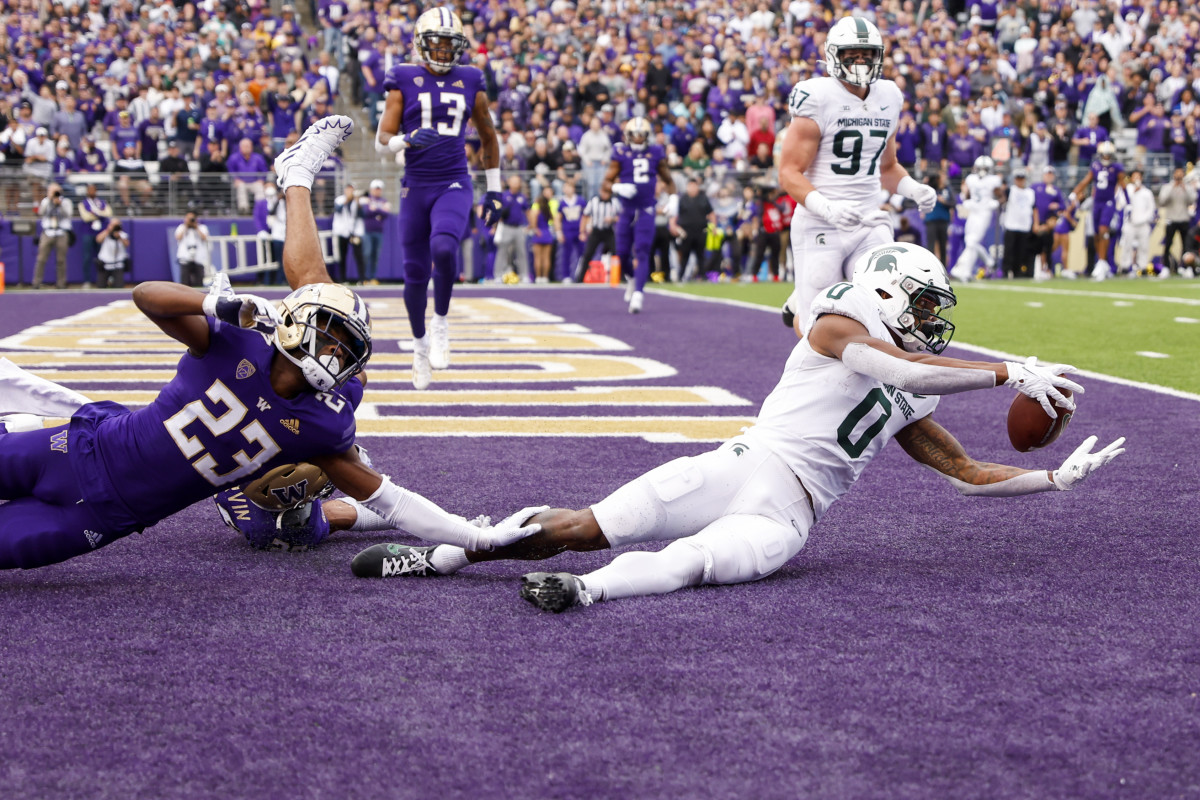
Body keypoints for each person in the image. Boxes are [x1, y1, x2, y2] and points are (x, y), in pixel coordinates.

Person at [348, 243, 1125, 611]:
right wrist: (1006, 373)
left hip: (791, 513)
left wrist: (1052, 479)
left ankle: (582, 594)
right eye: (922, 307)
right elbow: (905, 371)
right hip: (744, 461)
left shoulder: (915, 395)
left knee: (688, 564)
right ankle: (450, 555)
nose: (932, 322)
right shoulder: (834, 326)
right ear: (886, 295)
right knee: (588, 523)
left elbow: (968, 475)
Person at [0, 116, 541, 570]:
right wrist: (215, 305)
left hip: (105, 516)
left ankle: (297, 175)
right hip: (76, 450)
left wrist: (474, 539)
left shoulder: (326, 422)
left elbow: (391, 500)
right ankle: (297, 176)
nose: (337, 359)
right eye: (330, 341)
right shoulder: (233, 342)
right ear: (292, 325)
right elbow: (147, 297)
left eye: (345, 351)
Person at [778, 16, 937, 331]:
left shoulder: (889, 95)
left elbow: (887, 167)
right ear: (834, 54)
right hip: (820, 222)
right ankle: (802, 303)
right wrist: (828, 208)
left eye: (868, 54)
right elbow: (788, 172)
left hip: (869, 219)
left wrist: (912, 188)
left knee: (891, 306)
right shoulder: (817, 96)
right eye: (852, 53)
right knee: (819, 326)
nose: (861, 60)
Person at [375, 6, 503, 390]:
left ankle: (442, 321)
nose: (445, 52)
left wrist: (494, 189)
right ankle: (419, 347)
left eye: (451, 46)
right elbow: (382, 143)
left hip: (454, 182)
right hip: (415, 186)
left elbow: (488, 136)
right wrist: (407, 140)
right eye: (438, 44)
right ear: (421, 43)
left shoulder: (470, 79)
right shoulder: (403, 77)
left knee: (445, 249)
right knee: (414, 273)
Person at [606, 117, 675, 313]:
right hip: (626, 210)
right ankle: (633, 279)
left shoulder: (655, 152)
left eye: (641, 135)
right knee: (621, 252)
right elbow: (605, 183)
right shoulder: (620, 152)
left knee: (643, 250)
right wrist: (618, 187)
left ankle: (638, 294)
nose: (637, 138)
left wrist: (673, 199)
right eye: (634, 135)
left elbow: (667, 178)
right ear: (627, 136)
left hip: (646, 209)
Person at [1068, 140, 1125, 280]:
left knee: (1103, 229)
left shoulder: (1117, 168)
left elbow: (1123, 186)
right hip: (1096, 202)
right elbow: (1085, 182)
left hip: (1109, 201)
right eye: (1104, 154)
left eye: (1108, 155)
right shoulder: (1095, 166)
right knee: (1096, 234)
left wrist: (1128, 203)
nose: (1106, 157)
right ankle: (1101, 261)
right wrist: (1075, 193)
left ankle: (1102, 262)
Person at [950, 156, 1003, 281]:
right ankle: (973, 269)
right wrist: (968, 202)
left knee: (972, 241)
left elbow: (1001, 197)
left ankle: (959, 269)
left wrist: (994, 203)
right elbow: (967, 196)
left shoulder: (993, 180)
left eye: (985, 168)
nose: (982, 171)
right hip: (973, 211)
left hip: (984, 212)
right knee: (970, 241)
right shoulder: (971, 179)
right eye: (980, 168)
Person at [574, 183, 621, 283]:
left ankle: (620, 277)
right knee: (587, 254)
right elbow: (585, 215)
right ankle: (580, 279)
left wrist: (612, 219)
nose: (605, 194)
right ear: (600, 191)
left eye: (607, 192)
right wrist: (582, 231)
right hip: (596, 232)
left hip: (609, 232)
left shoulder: (615, 202)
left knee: (616, 254)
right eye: (604, 192)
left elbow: (621, 217)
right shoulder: (593, 201)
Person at [670, 178, 714, 282]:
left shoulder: (703, 198)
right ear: (687, 187)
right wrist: (673, 225)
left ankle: (703, 276)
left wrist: (714, 227)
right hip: (686, 232)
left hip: (701, 230)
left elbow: (711, 213)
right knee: (685, 255)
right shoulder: (682, 199)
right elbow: (674, 214)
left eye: (695, 186)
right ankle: (681, 277)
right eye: (691, 186)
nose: (693, 188)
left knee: (701, 255)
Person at [1114, 169, 1156, 276]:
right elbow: (1121, 204)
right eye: (1135, 176)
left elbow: (1151, 208)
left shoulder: (1147, 192)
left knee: (1144, 246)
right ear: (1131, 178)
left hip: (1143, 224)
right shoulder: (1126, 190)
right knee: (1127, 246)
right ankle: (1125, 266)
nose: (1137, 178)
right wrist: (1133, 192)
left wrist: (1145, 218)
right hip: (1130, 223)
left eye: (1139, 176)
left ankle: (1143, 266)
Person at [33, 183, 74, 290]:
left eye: (56, 191)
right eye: (52, 191)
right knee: (41, 259)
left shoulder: (66, 202)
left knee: (61, 260)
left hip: (61, 232)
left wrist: (59, 204)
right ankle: (36, 283)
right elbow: (41, 212)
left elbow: (68, 215)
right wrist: (50, 200)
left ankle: (61, 283)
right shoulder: (45, 201)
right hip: (47, 232)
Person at [1001, 168, 1036, 278]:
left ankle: (1018, 273)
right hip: (1011, 225)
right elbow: (1002, 198)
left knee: (1021, 252)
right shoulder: (1010, 190)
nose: (1020, 181)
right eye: (1018, 178)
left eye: (1022, 178)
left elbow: (1034, 208)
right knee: (1009, 251)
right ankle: (1006, 272)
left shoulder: (1030, 192)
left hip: (1024, 226)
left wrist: (1035, 223)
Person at [78, 184, 114, 289]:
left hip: (101, 233)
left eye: (93, 190)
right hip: (88, 232)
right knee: (87, 257)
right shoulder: (83, 203)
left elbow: (108, 213)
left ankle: (104, 280)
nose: (92, 192)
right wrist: (100, 214)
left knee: (103, 256)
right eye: (90, 190)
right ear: (87, 191)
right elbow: (85, 217)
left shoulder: (102, 202)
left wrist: (95, 213)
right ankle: (87, 280)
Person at [1158, 167, 1192, 274]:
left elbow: (1192, 200)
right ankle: (1166, 267)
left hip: (1184, 219)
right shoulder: (1168, 187)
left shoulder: (1187, 187)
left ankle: (1185, 267)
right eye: (1177, 174)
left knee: (1186, 245)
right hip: (1171, 219)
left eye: (1180, 174)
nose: (1179, 176)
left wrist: (1184, 188)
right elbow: (1162, 201)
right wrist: (1173, 187)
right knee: (1168, 244)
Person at [331, 183, 365, 283]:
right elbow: (338, 210)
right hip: (342, 232)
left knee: (359, 256)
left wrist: (358, 203)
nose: (349, 192)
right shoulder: (339, 200)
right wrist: (347, 200)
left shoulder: (357, 201)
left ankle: (362, 279)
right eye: (348, 190)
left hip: (354, 232)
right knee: (342, 256)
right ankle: (343, 279)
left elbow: (362, 215)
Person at [360, 179, 391, 285]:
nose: (377, 191)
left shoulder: (384, 201)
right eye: (376, 189)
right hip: (368, 231)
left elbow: (386, 214)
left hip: (379, 231)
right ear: (371, 189)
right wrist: (379, 211)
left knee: (375, 255)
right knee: (367, 253)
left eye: (379, 189)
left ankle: (372, 277)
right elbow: (366, 212)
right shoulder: (367, 199)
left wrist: (375, 210)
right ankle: (364, 277)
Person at [555, 180, 586, 283]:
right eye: (565, 187)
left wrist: (585, 229)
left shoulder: (581, 200)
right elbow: (558, 218)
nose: (567, 190)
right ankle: (566, 275)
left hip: (579, 230)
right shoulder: (562, 202)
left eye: (569, 187)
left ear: (573, 188)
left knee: (583, 253)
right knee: (566, 254)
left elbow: (586, 216)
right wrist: (559, 232)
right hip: (567, 230)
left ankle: (583, 274)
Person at [529, 185, 559, 283]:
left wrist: (535, 229)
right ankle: (545, 277)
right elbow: (554, 220)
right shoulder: (549, 209)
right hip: (547, 233)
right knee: (546, 257)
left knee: (538, 258)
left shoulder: (537, 208)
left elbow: (533, 221)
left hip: (539, 233)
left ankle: (538, 277)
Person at [175, 211, 212, 287]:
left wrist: (196, 227)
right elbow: (178, 237)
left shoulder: (202, 227)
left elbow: (205, 238)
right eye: (188, 218)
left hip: (199, 259)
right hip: (185, 258)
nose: (190, 220)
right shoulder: (181, 227)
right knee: (184, 282)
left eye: (192, 218)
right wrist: (186, 226)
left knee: (199, 282)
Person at [94, 218, 130, 289]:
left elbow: (127, 244)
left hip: (118, 264)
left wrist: (119, 236)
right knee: (101, 287)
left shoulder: (123, 235)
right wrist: (108, 230)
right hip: (105, 263)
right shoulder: (106, 233)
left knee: (119, 287)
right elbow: (98, 239)